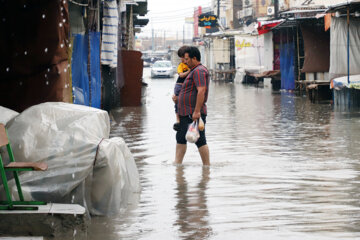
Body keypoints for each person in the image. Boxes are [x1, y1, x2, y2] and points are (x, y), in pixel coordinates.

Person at [174, 46, 210, 166]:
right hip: (185, 112)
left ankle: (206, 167)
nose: (185, 62)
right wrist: (178, 99)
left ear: (194, 58)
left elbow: (201, 91)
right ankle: (177, 165)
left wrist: (196, 111)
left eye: (187, 59)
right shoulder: (193, 71)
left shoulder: (199, 71)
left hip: (192, 112)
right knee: (180, 137)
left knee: (199, 139)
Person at [173, 46, 190, 131]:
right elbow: (181, 75)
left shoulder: (191, 65)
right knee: (177, 103)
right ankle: (178, 120)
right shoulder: (181, 66)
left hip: (186, 86)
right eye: (181, 58)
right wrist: (189, 71)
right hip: (179, 86)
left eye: (184, 57)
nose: (182, 60)